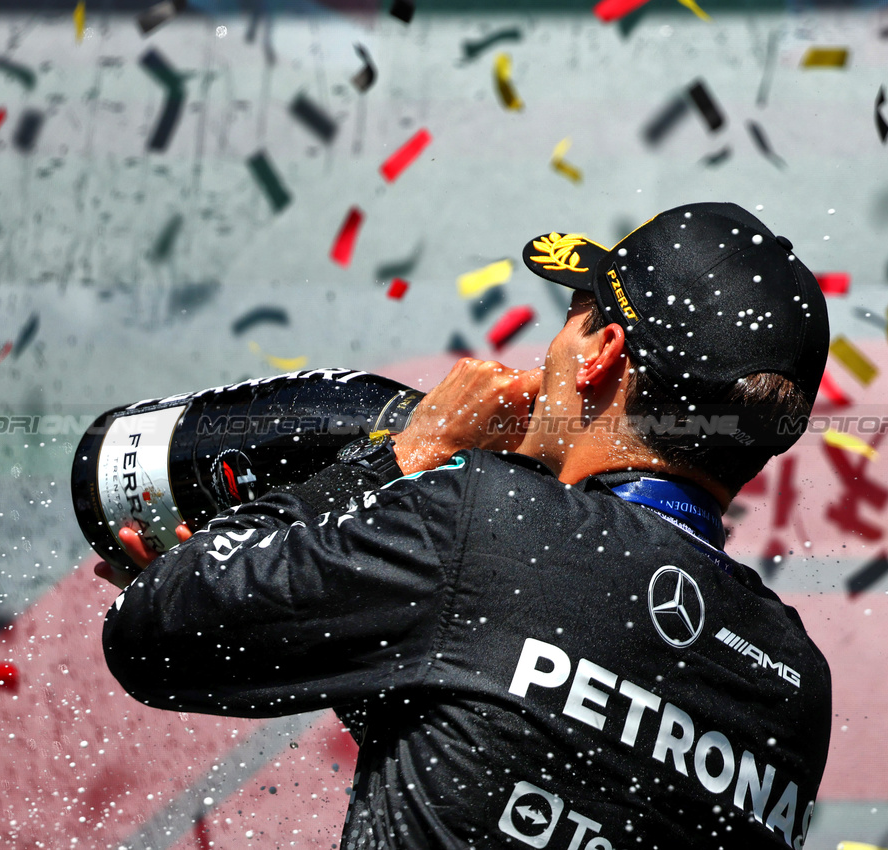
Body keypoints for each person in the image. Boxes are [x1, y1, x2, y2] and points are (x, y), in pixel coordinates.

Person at [98, 202, 833, 850]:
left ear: (602, 355)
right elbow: (491, 746)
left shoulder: (488, 520)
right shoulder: (795, 684)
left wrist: (405, 455)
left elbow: (155, 634)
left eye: (574, 314)